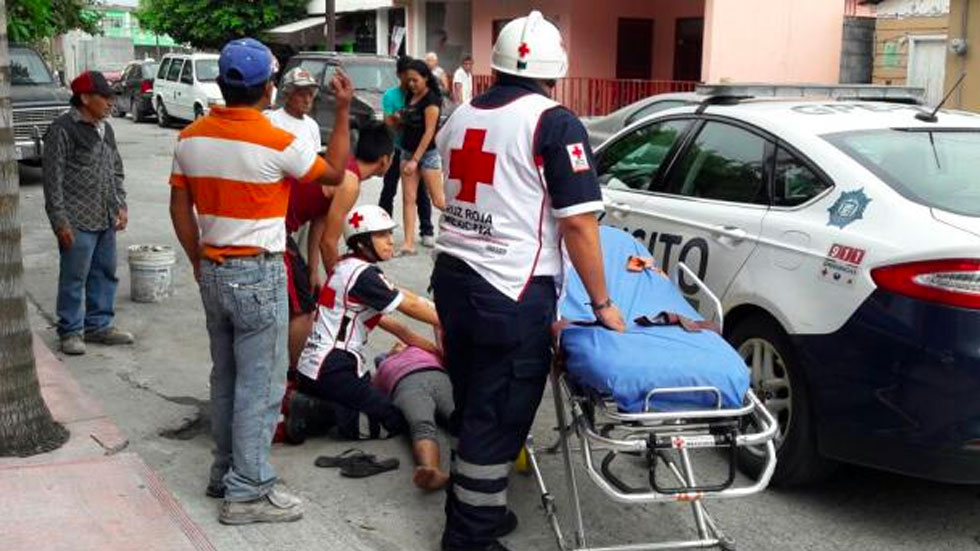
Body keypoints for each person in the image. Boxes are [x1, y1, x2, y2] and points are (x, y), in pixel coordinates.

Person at [432, 12, 626, 551]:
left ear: (495, 62)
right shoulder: (553, 122)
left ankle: (481, 516)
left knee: (474, 402)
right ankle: (469, 538)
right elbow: (580, 223)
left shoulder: (463, 113)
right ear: (556, 69)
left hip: (453, 277)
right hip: (510, 290)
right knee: (498, 416)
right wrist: (603, 303)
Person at [168, 37, 353, 525]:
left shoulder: (189, 138)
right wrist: (345, 109)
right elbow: (334, 175)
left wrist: (198, 258)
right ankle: (248, 491)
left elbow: (178, 209)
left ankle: (225, 472)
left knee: (226, 375)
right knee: (262, 383)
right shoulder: (278, 142)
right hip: (258, 271)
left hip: (213, 268)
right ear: (268, 86)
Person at [288, 205, 441, 443]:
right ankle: (319, 412)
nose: (390, 241)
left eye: (390, 234)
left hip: (316, 366)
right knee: (393, 422)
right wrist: (451, 322)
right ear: (361, 243)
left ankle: (315, 403)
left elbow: (397, 323)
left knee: (373, 400)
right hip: (334, 367)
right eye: (381, 235)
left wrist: (430, 349)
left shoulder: (346, 266)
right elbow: (408, 305)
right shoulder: (365, 276)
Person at [43, 70, 134, 356]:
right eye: (104, 97)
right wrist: (60, 222)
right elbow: (52, 181)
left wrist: (120, 204)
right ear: (84, 98)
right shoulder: (63, 130)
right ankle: (70, 330)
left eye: (111, 97)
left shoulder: (106, 128)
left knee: (105, 272)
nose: (110, 103)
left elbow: (115, 169)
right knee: (74, 277)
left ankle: (99, 325)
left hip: (104, 214)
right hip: (76, 219)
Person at [265, 66, 327, 368]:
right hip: (278, 205)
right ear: (287, 94)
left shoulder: (312, 127)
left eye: (310, 93)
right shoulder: (271, 120)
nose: (307, 98)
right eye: (301, 92)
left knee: (301, 263)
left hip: (303, 207)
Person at [372, 342, 454, 491]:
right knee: (422, 426)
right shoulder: (383, 367)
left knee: (461, 417)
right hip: (405, 383)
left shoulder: (422, 349)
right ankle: (431, 471)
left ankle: (497, 452)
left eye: (402, 344)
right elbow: (372, 395)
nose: (397, 345)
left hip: (436, 375)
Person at [379, 56, 434, 248]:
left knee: (421, 192)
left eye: (413, 78)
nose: (410, 82)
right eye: (407, 77)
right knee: (389, 188)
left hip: (415, 149)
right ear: (399, 75)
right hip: (395, 148)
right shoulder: (390, 96)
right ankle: (383, 227)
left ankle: (426, 230)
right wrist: (399, 118)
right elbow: (388, 123)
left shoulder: (420, 95)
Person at [398, 59, 446, 256]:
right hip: (407, 150)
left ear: (426, 78)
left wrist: (415, 160)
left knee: (438, 200)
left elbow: (429, 132)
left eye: (415, 80)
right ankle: (408, 243)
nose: (411, 84)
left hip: (427, 154)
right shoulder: (410, 96)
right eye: (409, 81)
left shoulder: (432, 99)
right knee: (408, 198)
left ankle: (458, 231)